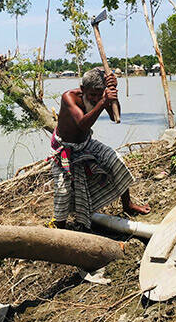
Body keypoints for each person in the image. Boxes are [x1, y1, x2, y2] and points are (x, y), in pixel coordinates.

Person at [49, 67, 150, 230]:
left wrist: (112, 95)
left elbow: (114, 116)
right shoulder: (69, 97)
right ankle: (59, 228)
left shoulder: (102, 96)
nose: (95, 99)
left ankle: (127, 204)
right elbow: (82, 124)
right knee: (62, 190)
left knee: (115, 160)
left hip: (86, 143)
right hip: (65, 147)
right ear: (83, 90)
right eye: (92, 95)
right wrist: (103, 101)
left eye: (99, 94)